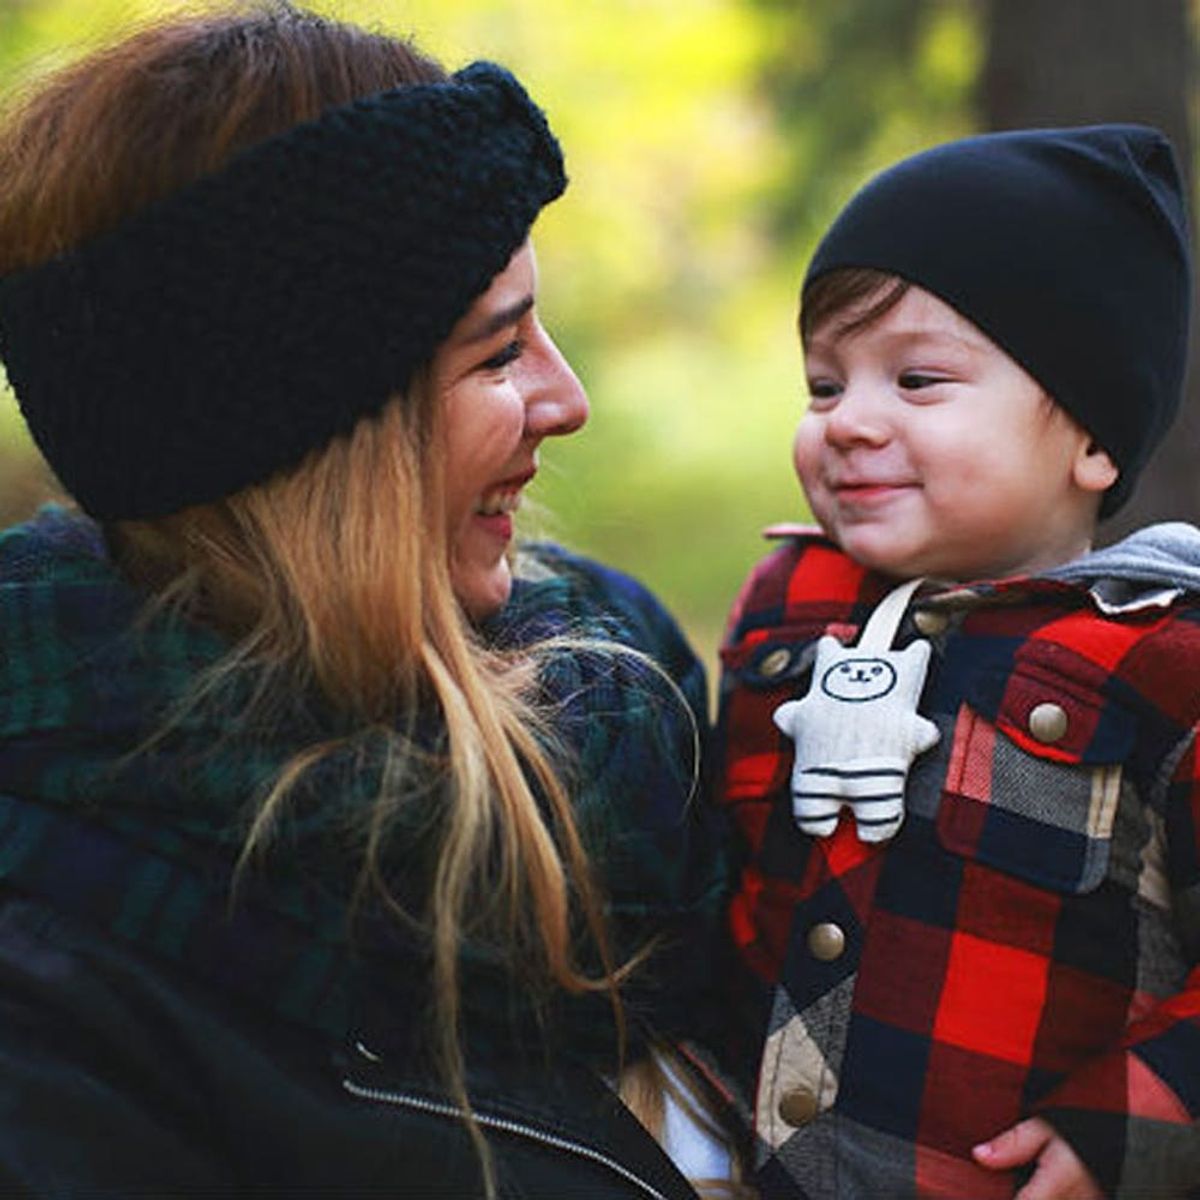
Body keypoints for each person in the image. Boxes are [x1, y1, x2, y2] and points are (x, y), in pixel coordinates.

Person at [0, 6, 738, 1196]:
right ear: (314, 447)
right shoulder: (59, 993)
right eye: (498, 354)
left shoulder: (623, 688)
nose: (569, 396)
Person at [716, 124, 1200, 1199]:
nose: (848, 424)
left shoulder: (1161, 658)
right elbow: (723, 871)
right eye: (825, 386)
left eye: (919, 380)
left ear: (1092, 438)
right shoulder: (785, 611)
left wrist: (1135, 1125)